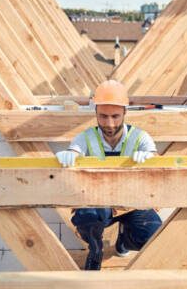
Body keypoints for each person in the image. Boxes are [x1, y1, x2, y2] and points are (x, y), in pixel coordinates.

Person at [56, 80, 162, 270]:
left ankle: (124, 239)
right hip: (99, 203)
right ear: (96, 113)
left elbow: (157, 158)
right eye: (103, 116)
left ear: (125, 113)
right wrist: (68, 155)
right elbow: (74, 151)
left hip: (133, 203)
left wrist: (151, 159)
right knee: (86, 215)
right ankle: (95, 251)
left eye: (115, 116)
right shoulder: (86, 137)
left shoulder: (139, 137)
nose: (110, 123)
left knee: (152, 237)